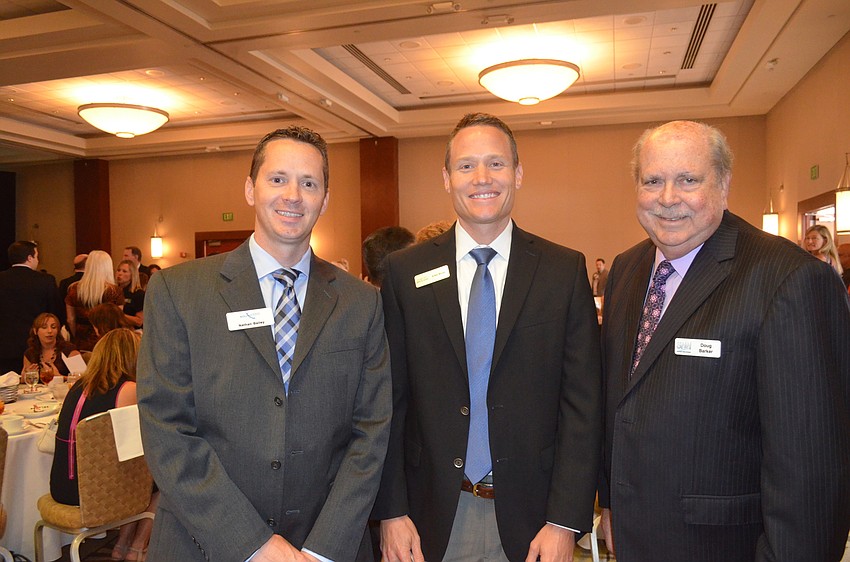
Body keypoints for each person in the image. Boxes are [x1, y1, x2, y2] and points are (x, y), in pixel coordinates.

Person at [137, 126, 392, 562]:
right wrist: (251, 543)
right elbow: (168, 431)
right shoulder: (178, 292)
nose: (293, 195)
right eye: (278, 179)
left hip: (327, 546)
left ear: (325, 199)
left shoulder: (361, 302)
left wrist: (323, 549)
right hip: (204, 544)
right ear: (251, 188)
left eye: (309, 183)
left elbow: (371, 433)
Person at [599, 120, 850, 561]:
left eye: (688, 180)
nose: (668, 198)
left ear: (724, 183)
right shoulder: (627, 269)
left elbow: (812, 471)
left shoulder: (788, 278)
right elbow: (620, 404)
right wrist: (613, 507)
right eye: (652, 180)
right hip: (636, 537)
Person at [373, 113, 602, 562]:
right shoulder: (405, 272)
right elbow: (388, 403)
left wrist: (564, 521)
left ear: (518, 172)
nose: (482, 178)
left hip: (535, 521)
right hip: (430, 518)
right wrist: (391, 511)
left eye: (496, 164)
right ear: (446, 177)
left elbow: (582, 407)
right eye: (466, 166)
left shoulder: (562, 271)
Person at [49, 328, 157, 562]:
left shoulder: (76, 388)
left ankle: (122, 544)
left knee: (139, 472)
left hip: (62, 485)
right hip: (95, 495)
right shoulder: (129, 389)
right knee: (160, 475)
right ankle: (136, 547)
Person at [0, 241, 64, 374]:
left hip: (4, 346)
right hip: (36, 346)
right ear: (29, 258)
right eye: (36, 256)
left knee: (6, 387)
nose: (37, 260)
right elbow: (55, 313)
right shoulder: (45, 280)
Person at [65, 250, 124, 352]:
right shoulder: (114, 291)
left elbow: (70, 319)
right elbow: (117, 320)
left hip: (81, 340)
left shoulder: (74, 288)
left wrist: (76, 335)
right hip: (107, 341)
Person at [22, 313, 80, 380]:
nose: (50, 331)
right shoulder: (30, 353)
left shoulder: (69, 350)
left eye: (53, 327)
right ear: (35, 331)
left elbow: (82, 379)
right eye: (44, 327)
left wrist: (59, 377)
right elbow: (24, 380)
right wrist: (27, 376)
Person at [116, 259, 145, 328]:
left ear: (132, 274)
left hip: (133, 332)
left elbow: (139, 321)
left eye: (124, 271)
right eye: (118, 270)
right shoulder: (113, 292)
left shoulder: (138, 294)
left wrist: (118, 314)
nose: (120, 273)